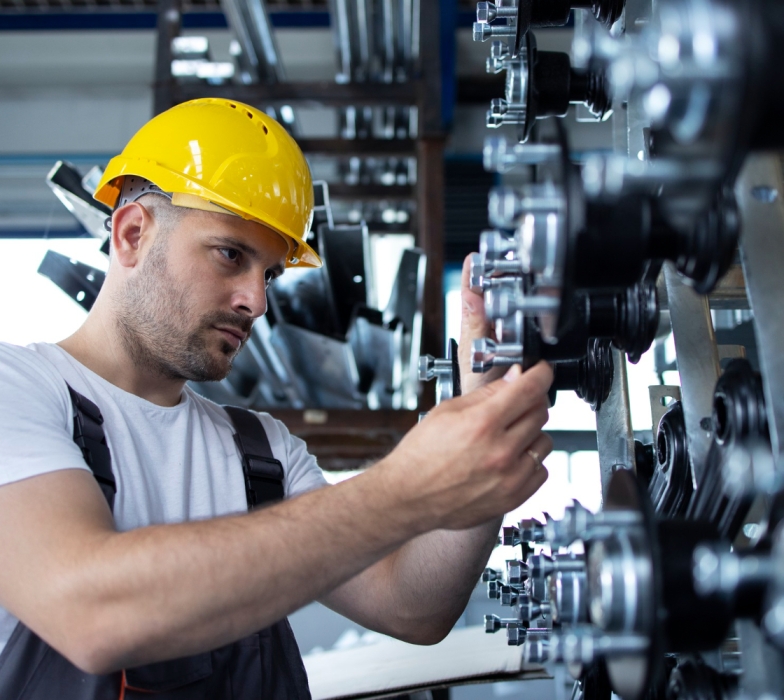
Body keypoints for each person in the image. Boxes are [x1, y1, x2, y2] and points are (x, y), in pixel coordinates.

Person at [0, 98, 553, 698]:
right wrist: (406, 487)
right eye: (231, 255)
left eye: (269, 274)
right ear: (133, 233)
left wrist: (486, 412)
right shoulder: (20, 392)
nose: (256, 302)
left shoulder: (259, 454)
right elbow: (91, 612)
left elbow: (414, 608)